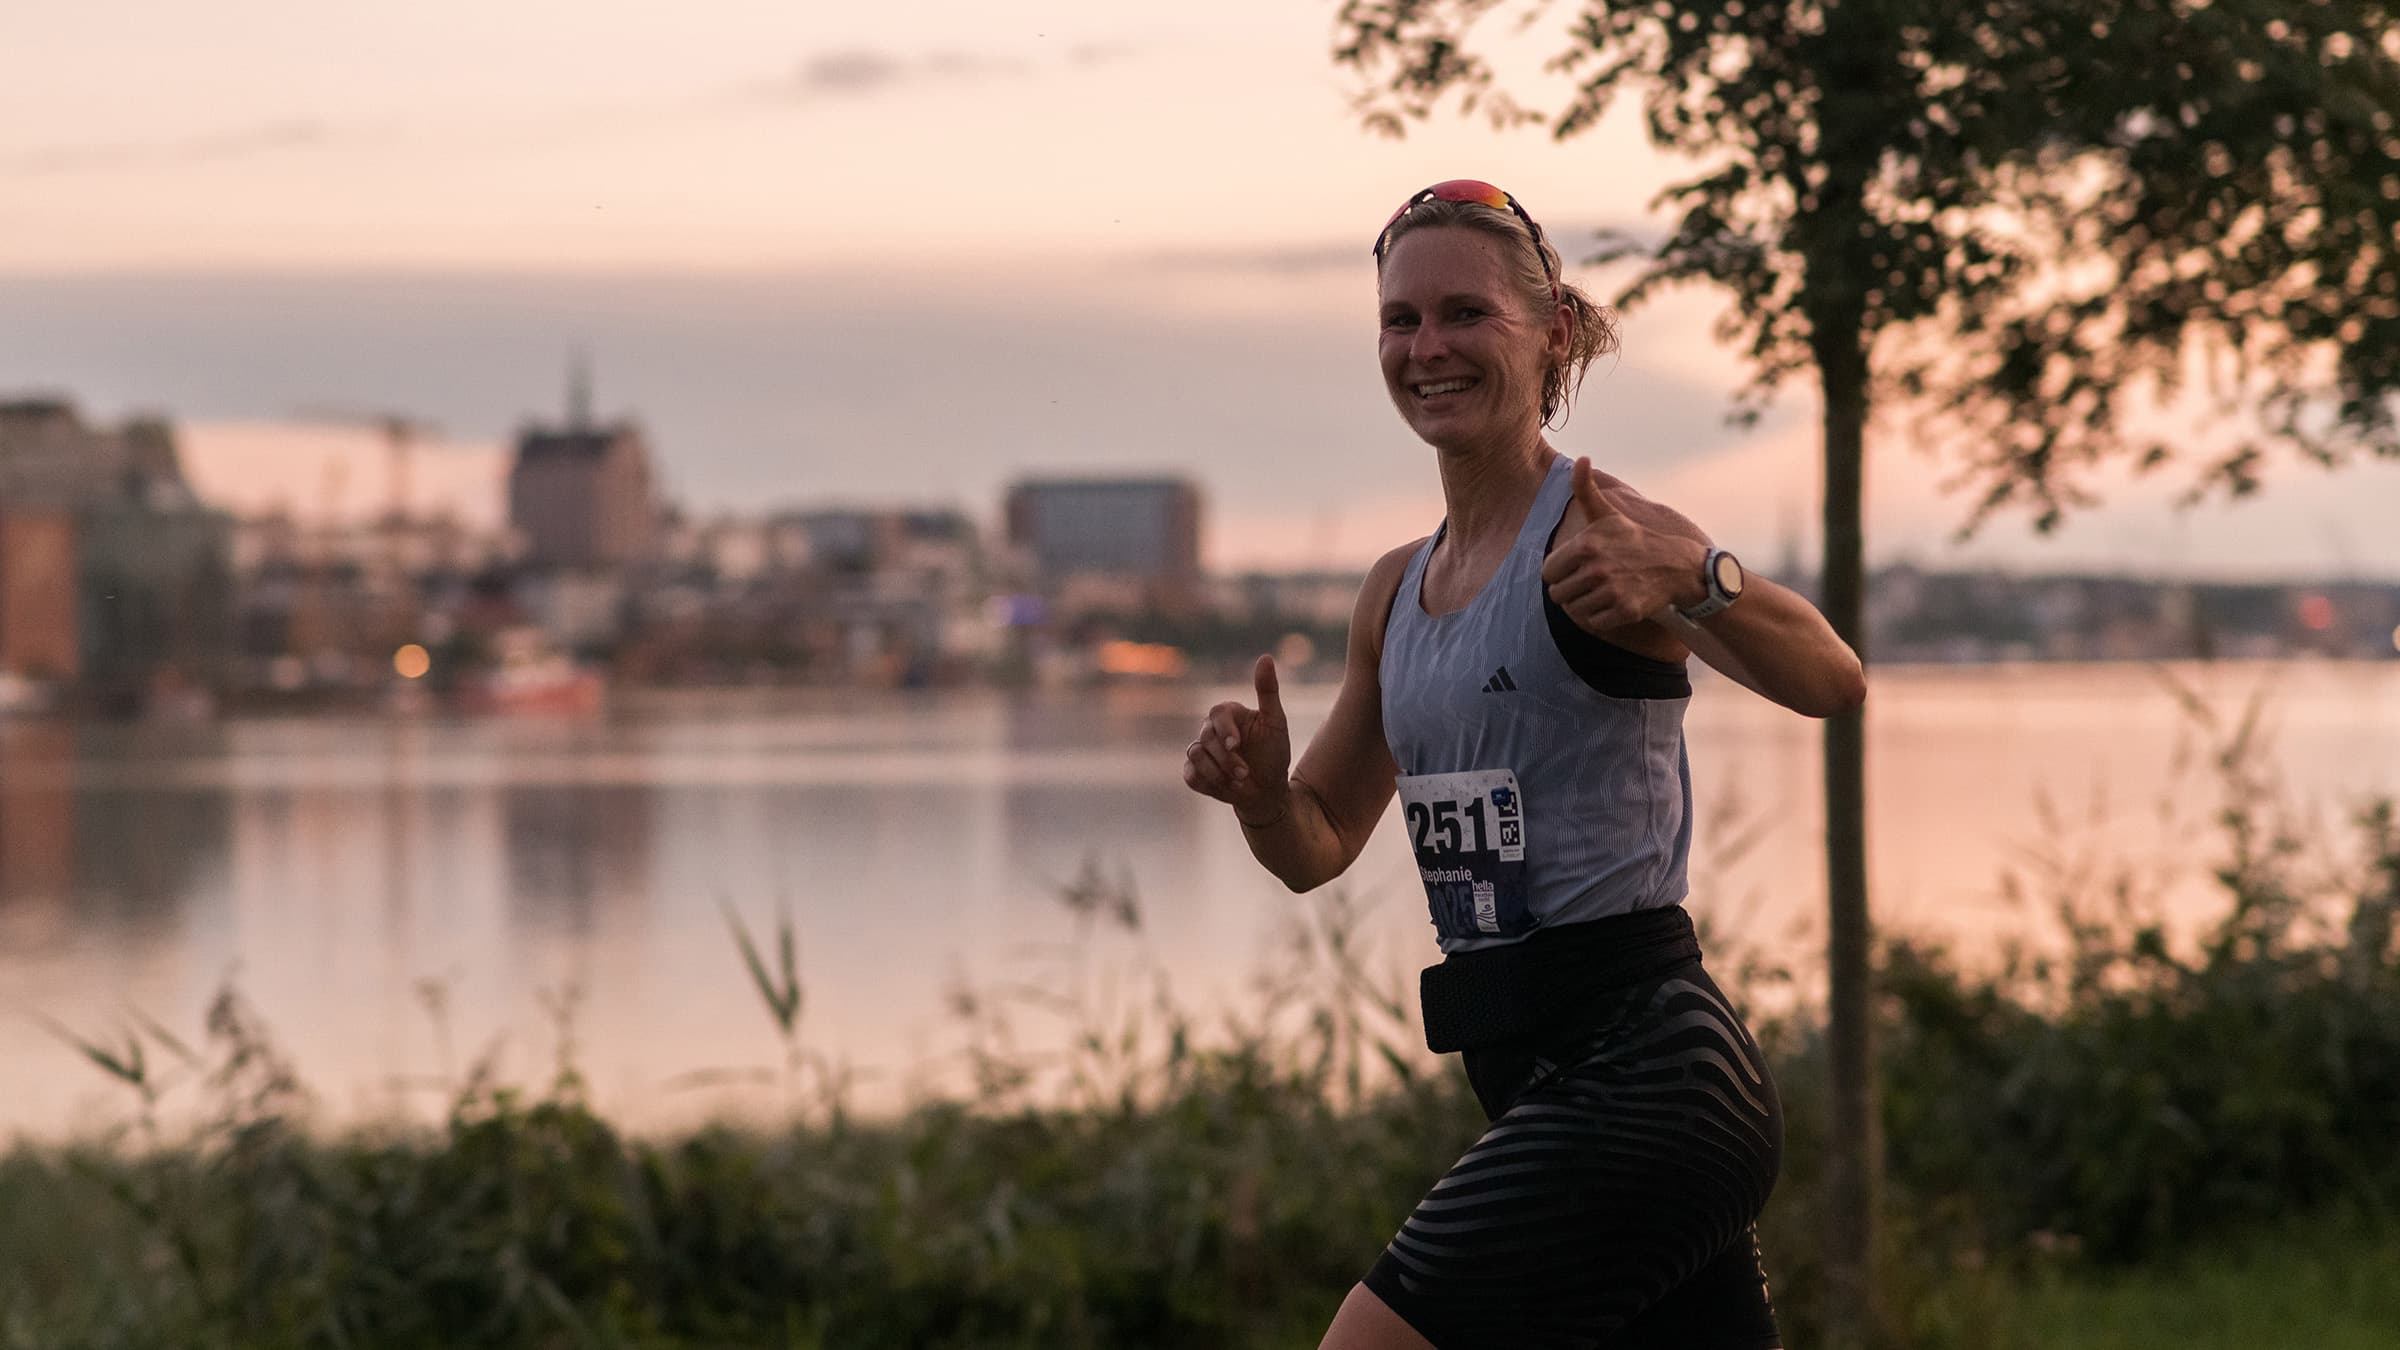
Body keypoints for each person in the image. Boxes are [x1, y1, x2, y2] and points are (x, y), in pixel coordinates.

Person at [1180, 179, 1866, 1350]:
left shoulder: (1602, 533)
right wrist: (1259, 800)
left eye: (1463, 314)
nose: (1427, 347)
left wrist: (1701, 578)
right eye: (1401, 321)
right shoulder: (1397, 589)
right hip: (1531, 1073)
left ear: (1550, 333)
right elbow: (1319, 846)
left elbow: (1831, 680)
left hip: (1651, 1077)